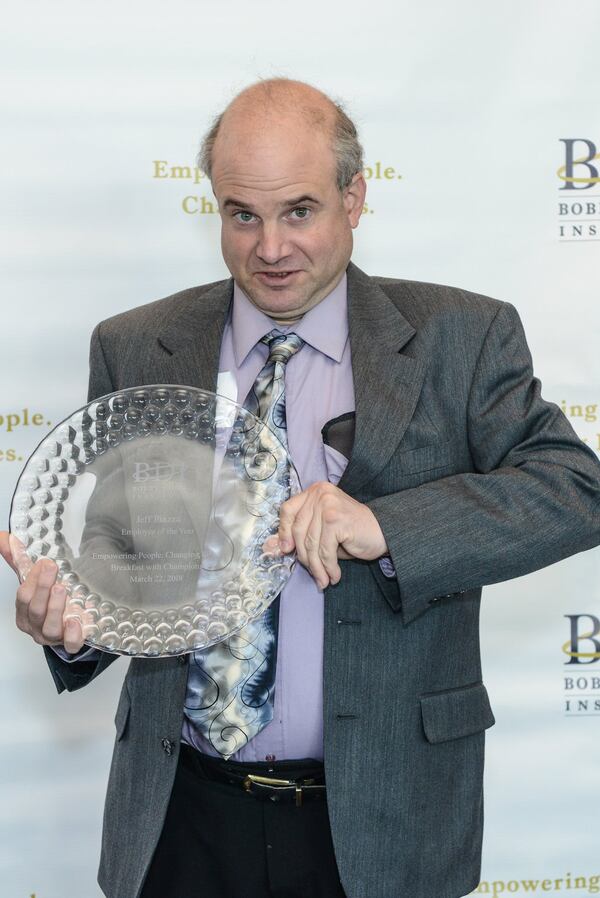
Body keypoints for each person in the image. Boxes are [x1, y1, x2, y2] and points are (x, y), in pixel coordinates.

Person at [2, 78, 600, 898]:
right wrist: (73, 626)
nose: (271, 247)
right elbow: (125, 571)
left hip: (383, 822)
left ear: (355, 198)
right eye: (242, 214)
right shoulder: (138, 346)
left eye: (299, 211)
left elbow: (575, 488)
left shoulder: (462, 337)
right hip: (180, 818)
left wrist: (388, 526)